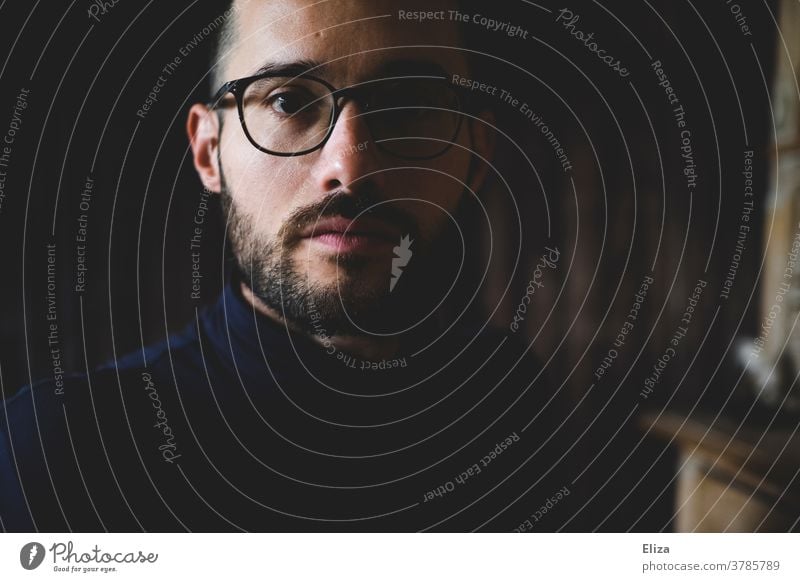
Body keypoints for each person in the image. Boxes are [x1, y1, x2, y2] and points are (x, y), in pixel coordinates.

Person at [0, 0, 575, 532]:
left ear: (474, 154)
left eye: (410, 104)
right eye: (288, 101)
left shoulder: (509, 397)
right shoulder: (67, 451)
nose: (348, 168)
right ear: (209, 152)